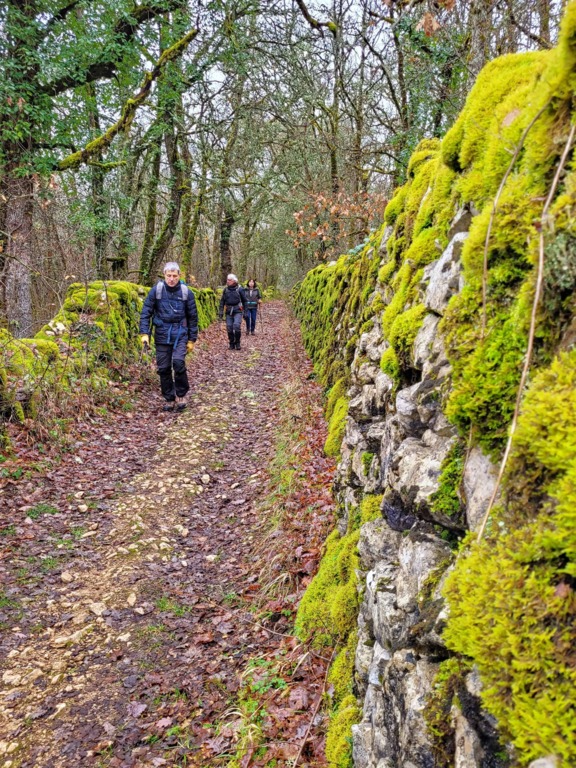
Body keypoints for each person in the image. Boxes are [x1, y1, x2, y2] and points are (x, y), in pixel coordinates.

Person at [139, 262, 198, 411]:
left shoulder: (186, 292)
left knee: (178, 363)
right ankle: (169, 398)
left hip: (180, 333)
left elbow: (192, 317)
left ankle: (181, 395)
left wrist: (192, 339)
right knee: (164, 368)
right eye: (169, 276)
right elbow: (146, 312)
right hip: (162, 334)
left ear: (179, 276)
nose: (171, 279)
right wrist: (144, 333)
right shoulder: (156, 291)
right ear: (164, 275)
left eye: (174, 276)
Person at [219, 274, 245, 350]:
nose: (227, 281)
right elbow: (222, 301)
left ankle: (237, 342)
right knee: (229, 327)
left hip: (238, 310)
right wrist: (221, 311)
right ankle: (231, 343)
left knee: (236, 326)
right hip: (228, 311)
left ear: (234, 281)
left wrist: (246, 312)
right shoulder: (226, 290)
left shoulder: (240, 289)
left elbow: (245, 301)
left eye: (229, 280)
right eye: (227, 280)